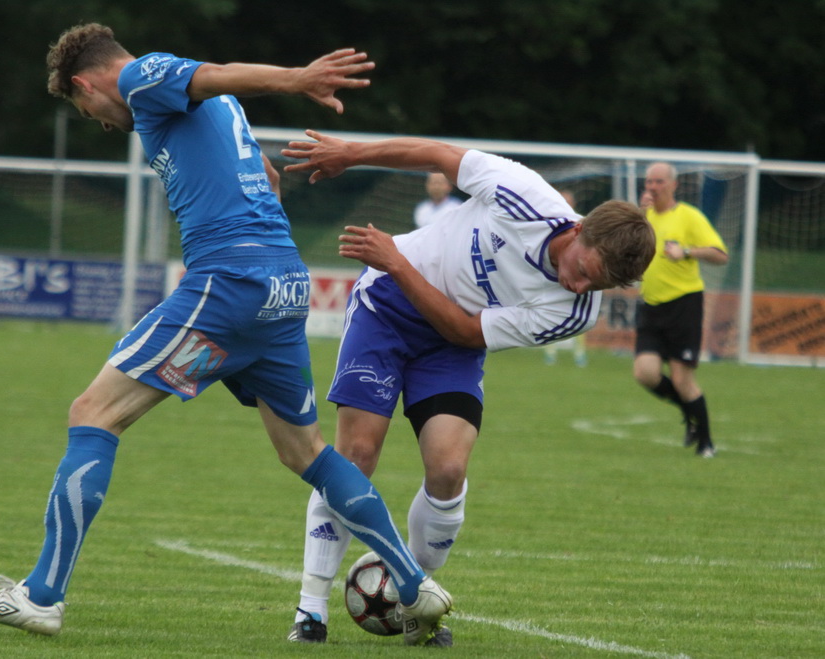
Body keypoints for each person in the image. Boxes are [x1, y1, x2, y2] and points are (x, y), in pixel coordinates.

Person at [0, 23, 452, 646]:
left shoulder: (139, 77)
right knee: (307, 453)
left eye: (86, 110)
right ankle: (413, 586)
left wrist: (297, 80)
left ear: (86, 82)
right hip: (282, 284)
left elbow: (212, 71)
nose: (101, 123)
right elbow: (265, 176)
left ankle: (40, 597)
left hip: (230, 284)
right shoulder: (216, 110)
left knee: (92, 413)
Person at [280, 130, 655, 644]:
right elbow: (437, 155)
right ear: (579, 230)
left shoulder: (576, 312)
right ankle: (311, 609)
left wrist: (398, 261)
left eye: (598, 286)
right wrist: (352, 154)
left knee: (449, 469)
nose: (580, 287)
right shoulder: (523, 195)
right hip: (385, 306)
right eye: (584, 270)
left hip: (451, 342)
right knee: (357, 456)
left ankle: (415, 597)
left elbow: (463, 331)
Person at [633, 162, 728, 458]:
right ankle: (689, 413)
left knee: (682, 379)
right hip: (651, 305)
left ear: (674, 185)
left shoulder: (688, 216)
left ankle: (706, 443)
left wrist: (685, 251)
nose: (653, 187)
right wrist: (638, 216)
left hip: (684, 305)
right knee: (645, 373)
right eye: (649, 181)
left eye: (659, 181)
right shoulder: (644, 217)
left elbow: (720, 254)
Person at [543, 189, 588, 366]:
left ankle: (579, 353)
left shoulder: (580, 223)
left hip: (576, 277)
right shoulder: (551, 224)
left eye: (568, 201)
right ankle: (550, 351)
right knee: (550, 311)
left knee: (579, 312)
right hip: (555, 277)